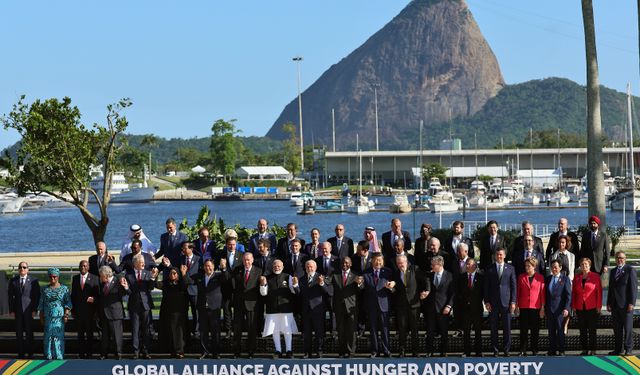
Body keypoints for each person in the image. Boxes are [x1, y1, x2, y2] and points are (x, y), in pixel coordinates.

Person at [189, 258, 228, 359]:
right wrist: (184, 273)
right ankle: (205, 351)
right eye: (206, 266)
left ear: (213, 266)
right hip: (202, 308)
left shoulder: (218, 276)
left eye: (210, 266)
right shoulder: (199, 277)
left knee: (215, 332)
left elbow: (226, 279)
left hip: (214, 308)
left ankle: (216, 353)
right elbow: (187, 282)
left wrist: (223, 269)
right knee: (203, 331)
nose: (208, 268)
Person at [325, 257, 363, 358]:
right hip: (339, 306)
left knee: (351, 331)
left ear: (350, 264)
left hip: (351, 307)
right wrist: (322, 281)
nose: (344, 264)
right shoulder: (335, 274)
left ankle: (351, 352)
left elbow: (361, 289)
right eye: (343, 263)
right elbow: (327, 283)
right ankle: (342, 352)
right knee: (340, 330)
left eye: (346, 263)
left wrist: (359, 284)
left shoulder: (356, 275)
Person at [259, 260, 298, 358]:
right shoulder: (267, 277)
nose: (277, 267)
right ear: (272, 267)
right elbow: (263, 293)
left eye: (279, 266)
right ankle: (278, 351)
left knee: (287, 329)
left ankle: (289, 350)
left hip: (286, 308)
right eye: (275, 266)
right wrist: (263, 284)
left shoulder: (288, 277)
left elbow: (294, 291)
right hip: (272, 308)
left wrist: (295, 284)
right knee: (274, 330)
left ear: (283, 266)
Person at [393, 254, 428, 358]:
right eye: (398, 263)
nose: (400, 265)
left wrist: (426, 290)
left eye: (402, 263)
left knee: (414, 329)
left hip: (414, 305)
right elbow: (395, 291)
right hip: (401, 306)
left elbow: (425, 280)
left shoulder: (414, 269)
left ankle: (415, 351)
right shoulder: (395, 273)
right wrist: (391, 288)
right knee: (402, 329)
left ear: (406, 262)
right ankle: (402, 351)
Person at [293, 260, 330, 359]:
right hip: (306, 310)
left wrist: (322, 283)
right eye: (308, 267)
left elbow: (327, 291)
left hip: (318, 310)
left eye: (311, 267)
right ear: (305, 268)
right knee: (307, 333)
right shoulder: (302, 279)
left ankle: (319, 351)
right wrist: (296, 286)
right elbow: (299, 294)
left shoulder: (321, 277)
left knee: (319, 332)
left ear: (315, 267)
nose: (309, 268)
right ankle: (307, 352)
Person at [484, 248, 516, 357]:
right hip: (493, 303)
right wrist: (487, 301)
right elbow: (486, 287)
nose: (499, 256)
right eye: (497, 255)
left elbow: (513, 286)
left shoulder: (511, 268)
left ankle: (506, 350)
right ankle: (495, 350)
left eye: (501, 255)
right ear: (495, 256)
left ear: (505, 256)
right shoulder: (489, 268)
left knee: (507, 328)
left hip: (506, 302)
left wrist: (513, 301)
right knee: (494, 328)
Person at [362, 253, 394, 358]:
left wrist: (391, 287)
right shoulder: (366, 273)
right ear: (372, 261)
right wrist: (358, 284)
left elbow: (394, 290)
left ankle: (386, 350)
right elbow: (362, 289)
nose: (378, 262)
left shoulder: (388, 272)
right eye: (376, 260)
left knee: (385, 329)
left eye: (380, 260)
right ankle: (374, 350)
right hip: (371, 306)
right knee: (373, 329)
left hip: (384, 305)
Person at [125, 254, 156, 359]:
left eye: (143, 262)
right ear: (135, 264)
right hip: (134, 305)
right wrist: (125, 288)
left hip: (145, 304)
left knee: (146, 329)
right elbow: (129, 292)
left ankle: (146, 351)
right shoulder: (128, 276)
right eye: (141, 262)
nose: (143, 264)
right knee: (135, 329)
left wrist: (152, 278)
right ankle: (136, 351)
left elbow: (150, 288)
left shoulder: (148, 274)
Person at [607, 251, 637, 355]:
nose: (620, 259)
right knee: (617, 329)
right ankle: (618, 349)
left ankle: (628, 349)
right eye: (618, 258)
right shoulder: (613, 271)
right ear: (615, 259)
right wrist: (608, 303)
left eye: (622, 258)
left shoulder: (630, 270)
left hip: (626, 305)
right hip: (615, 305)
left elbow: (633, 288)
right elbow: (611, 288)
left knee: (628, 329)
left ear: (625, 259)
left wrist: (632, 303)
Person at [231, 252, 261, 358]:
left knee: (251, 329)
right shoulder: (237, 270)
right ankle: (236, 351)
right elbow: (233, 286)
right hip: (239, 303)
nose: (246, 262)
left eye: (248, 260)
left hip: (252, 304)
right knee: (237, 329)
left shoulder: (258, 271)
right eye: (244, 260)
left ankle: (251, 351)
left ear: (252, 260)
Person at [8, 261, 40, 359]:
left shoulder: (34, 281)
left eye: (24, 267)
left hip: (29, 311)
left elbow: (37, 296)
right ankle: (20, 353)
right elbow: (10, 296)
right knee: (19, 333)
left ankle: (30, 353)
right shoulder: (13, 280)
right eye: (20, 267)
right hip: (17, 311)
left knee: (29, 333)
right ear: (18, 269)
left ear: (28, 269)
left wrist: (35, 309)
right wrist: (11, 310)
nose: (22, 269)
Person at [38, 268, 72, 359]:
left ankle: (59, 355)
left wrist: (66, 315)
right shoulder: (44, 289)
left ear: (58, 277)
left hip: (59, 317)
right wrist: (41, 317)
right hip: (48, 317)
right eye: (50, 276)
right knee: (48, 336)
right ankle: (48, 355)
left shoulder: (64, 289)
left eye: (54, 276)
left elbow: (68, 303)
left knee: (58, 336)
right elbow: (41, 303)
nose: (52, 278)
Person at [155, 265, 188, 358]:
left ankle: (180, 351)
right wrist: (156, 275)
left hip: (179, 312)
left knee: (179, 332)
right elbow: (156, 284)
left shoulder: (181, 283)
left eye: (175, 273)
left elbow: (185, 285)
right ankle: (172, 350)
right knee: (170, 331)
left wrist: (184, 274)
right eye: (171, 273)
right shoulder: (166, 283)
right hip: (167, 311)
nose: (173, 275)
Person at [97, 265, 129, 360]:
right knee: (105, 336)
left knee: (116, 336)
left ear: (106, 275)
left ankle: (118, 353)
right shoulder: (102, 284)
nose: (100, 278)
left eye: (101, 276)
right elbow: (102, 298)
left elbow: (124, 293)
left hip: (115, 313)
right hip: (104, 314)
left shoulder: (118, 282)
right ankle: (104, 353)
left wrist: (125, 287)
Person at [453, 258, 484, 357]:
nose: (467, 266)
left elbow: (483, 293)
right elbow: (457, 293)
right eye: (466, 264)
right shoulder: (461, 278)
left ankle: (478, 351)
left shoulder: (481, 277)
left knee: (478, 331)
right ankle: (467, 351)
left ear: (475, 266)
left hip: (477, 308)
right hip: (465, 309)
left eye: (469, 264)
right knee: (466, 332)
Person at [424, 255, 454, 357]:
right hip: (431, 308)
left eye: (433, 265)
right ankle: (429, 351)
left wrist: (449, 306)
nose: (431, 266)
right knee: (430, 331)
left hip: (443, 308)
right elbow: (427, 288)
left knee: (444, 331)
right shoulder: (429, 275)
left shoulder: (449, 276)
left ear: (440, 264)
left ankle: (443, 351)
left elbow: (452, 293)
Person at [572, 257, 602, 356]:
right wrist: (574, 305)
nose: (584, 266)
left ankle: (593, 349)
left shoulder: (595, 276)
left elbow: (599, 292)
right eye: (582, 264)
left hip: (592, 307)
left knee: (592, 329)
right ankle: (584, 349)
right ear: (580, 266)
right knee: (582, 330)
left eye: (586, 264)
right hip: (580, 307)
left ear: (589, 265)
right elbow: (574, 293)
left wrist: (599, 306)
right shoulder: (576, 277)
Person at [516, 257, 545, 356]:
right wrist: (517, 306)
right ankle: (523, 350)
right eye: (526, 266)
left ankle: (534, 349)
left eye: (529, 266)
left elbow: (542, 293)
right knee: (523, 329)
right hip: (523, 306)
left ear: (534, 266)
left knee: (535, 330)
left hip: (535, 307)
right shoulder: (521, 277)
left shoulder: (540, 278)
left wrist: (542, 307)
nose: (527, 267)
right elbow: (518, 292)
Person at [71, 260, 99, 359]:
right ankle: (81, 353)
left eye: (85, 266)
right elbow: (73, 296)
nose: (83, 267)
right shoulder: (75, 279)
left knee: (90, 334)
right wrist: (72, 310)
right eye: (81, 266)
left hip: (90, 312)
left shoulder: (95, 278)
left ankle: (89, 353)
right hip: (78, 312)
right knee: (80, 334)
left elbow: (98, 295)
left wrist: (94, 300)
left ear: (88, 267)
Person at [217, 235, 243, 337]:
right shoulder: (221, 255)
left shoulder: (241, 255)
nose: (231, 246)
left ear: (236, 245)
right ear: (226, 245)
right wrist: (222, 267)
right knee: (226, 310)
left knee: (237, 310)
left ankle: (237, 331)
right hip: (225, 286)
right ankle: (228, 331)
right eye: (229, 245)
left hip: (237, 287)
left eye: (233, 245)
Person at [545, 260, 572, 356]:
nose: (554, 269)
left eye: (556, 267)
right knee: (551, 331)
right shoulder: (548, 279)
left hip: (560, 310)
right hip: (550, 309)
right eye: (552, 267)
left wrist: (566, 308)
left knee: (560, 330)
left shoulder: (565, 279)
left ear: (560, 268)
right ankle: (552, 349)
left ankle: (561, 350)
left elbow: (569, 295)